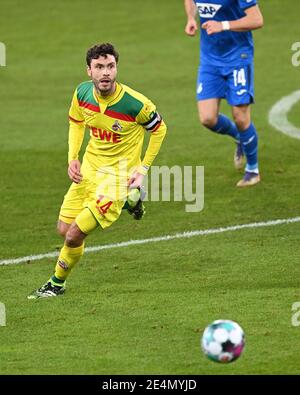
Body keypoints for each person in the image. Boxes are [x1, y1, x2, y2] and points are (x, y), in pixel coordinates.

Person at [28, 43, 167, 299]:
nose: (106, 73)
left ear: (117, 68)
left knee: (73, 235)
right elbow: (76, 123)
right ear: (89, 70)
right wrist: (72, 157)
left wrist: (143, 168)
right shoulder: (82, 93)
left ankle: (55, 284)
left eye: (110, 66)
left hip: (117, 179)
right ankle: (132, 200)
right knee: (63, 228)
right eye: (99, 67)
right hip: (89, 171)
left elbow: (159, 130)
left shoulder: (135, 104)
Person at [184, 0, 263, 187]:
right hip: (210, 60)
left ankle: (253, 170)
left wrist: (223, 25)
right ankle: (240, 138)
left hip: (238, 57)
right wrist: (190, 18)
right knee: (207, 118)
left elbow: (257, 19)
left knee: (241, 117)